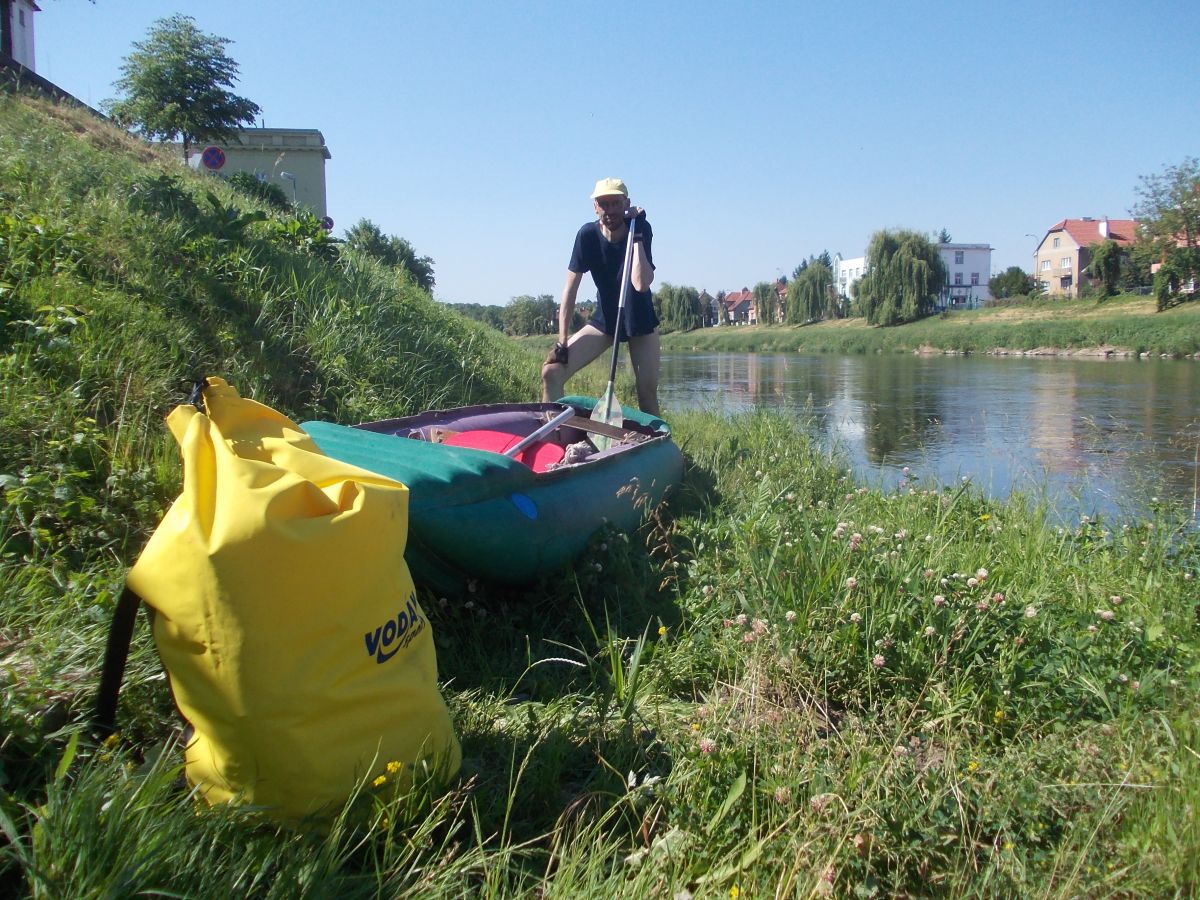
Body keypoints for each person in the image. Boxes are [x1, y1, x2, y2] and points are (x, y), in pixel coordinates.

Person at [541, 177, 660, 416]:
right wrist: (562, 340)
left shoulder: (641, 228)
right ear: (595, 207)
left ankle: (660, 446)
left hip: (641, 322)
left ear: (626, 203)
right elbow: (570, 290)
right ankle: (551, 433)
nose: (611, 210)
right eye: (604, 204)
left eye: (616, 203)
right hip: (605, 322)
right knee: (551, 372)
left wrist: (636, 236)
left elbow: (641, 283)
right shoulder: (587, 236)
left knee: (646, 393)